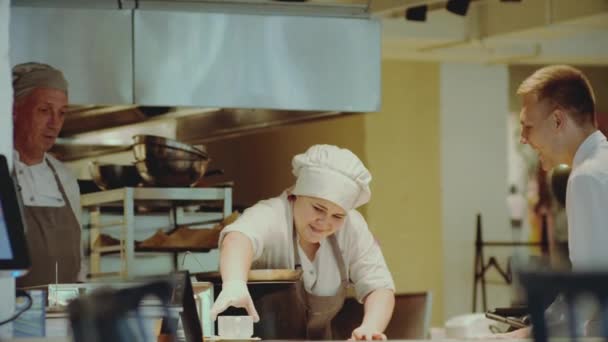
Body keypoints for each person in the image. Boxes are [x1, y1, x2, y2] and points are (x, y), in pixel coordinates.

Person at [210, 144, 395, 340]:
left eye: (338, 216)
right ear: (296, 194)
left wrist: (370, 327)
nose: (325, 222)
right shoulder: (271, 214)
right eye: (318, 208)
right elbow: (237, 238)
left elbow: (379, 285)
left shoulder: (352, 227)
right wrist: (234, 283)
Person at [505, 65, 608, 337]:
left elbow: (588, 294)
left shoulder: (586, 178)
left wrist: (522, 336)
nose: (523, 139)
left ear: (558, 121)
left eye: (528, 126)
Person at [11, 62, 85, 287]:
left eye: (61, 114)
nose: (54, 124)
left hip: (61, 319)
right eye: (44, 111)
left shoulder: (65, 178)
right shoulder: (3, 171)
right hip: (9, 317)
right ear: (14, 110)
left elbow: (79, 266)